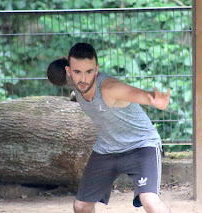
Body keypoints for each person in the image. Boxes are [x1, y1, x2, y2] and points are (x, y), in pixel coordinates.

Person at [61, 42, 171, 213]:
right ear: (68, 71)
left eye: (89, 72)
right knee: (81, 206)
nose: (83, 79)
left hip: (141, 145)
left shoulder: (109, 88)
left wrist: (151, 98)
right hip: (107, 149)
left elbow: (131, 92)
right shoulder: (73, 79)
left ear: (96, 70)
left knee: (149, 201)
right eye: (77, 72)